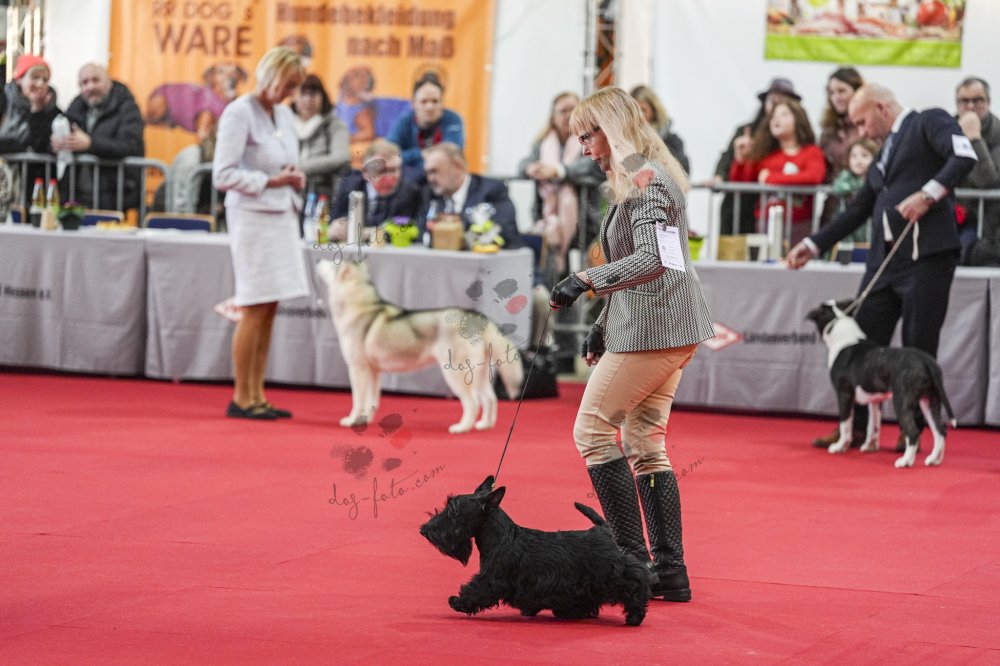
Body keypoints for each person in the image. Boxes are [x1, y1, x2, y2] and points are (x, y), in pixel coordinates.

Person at [548, 87, 714, 602]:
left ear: (612, 130)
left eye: (588, 136)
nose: (583, 149)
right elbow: (655, 264)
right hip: (666, 326)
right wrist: (603, 320)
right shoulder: (643, 175)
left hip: (655, 330)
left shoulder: (645, 181)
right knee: (644, 444)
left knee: (592, 433)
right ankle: (668, 571)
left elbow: (651, 261)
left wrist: (585, 280)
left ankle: (632, 564)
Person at [786, 84, 978, 451]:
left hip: (927, 257)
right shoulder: (883, 154)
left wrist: (928, 195)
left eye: (862, 122)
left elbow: (964, 155)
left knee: (919, 346)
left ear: (881, 108)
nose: (861, 131)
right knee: (860, 344)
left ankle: (913, 430)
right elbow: (859, 208)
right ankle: (853, 428)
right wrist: (813, 244)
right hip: (884, 264)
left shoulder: (928, 121)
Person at [212, 47, 308, 420]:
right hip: (251, 218)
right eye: (287, 85)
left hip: (282, 214)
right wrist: (270, 181)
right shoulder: (238, 112)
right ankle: (242, 397)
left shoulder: (283, 114)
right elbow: (222, 175)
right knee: (253, 305)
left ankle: (258, 394)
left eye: (295, 87)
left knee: (270, 305)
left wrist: (293, 177)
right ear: (269, 77)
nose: (290, 94)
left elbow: (284, 162)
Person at [728, 98, 827, 246]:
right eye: (773, 116)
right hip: (766, 224)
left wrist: (770, 178)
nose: (776, 119)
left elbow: (813, 177)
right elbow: (741, 183)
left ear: (798, 119)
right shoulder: (765, 155)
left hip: (800, 225)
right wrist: (741, 159)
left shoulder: (811, 152)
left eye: (784, 114)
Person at [713, 77, 802, 234]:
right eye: (773, 101)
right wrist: (720, 175)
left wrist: (769, 178)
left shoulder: (793, 141)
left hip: (770, 210)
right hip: (738, 207)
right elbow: (727, 157)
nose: (775, 108)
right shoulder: (746, 131)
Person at [52, 63, 145, 210]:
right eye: (84, 82)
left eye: (96, 80)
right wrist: (56, 143)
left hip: (113, 194)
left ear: (109, 82)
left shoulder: (127, 106)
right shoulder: (77, 105)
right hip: (76, 194)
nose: (90, 86)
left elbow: (129, 145)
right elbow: (63, 131)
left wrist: (91, 144)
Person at [517, 91, 586, 275]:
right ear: (553, 116)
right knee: (549, 266)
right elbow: (522, 165)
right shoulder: (544, 141)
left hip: (584, 218)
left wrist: (558, 171)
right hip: (549, 217)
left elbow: (592, 166)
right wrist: (531, 168)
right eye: (563, 111)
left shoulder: (589, 137)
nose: (568, 115)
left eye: (573, 109)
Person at [420, 142, 520, 248]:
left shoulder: (491, 190)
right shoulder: (430, 195)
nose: (430, 178)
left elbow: (503, 231)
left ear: (457, 166)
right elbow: (420, 230)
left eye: (434, 171)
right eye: (427, 173)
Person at [328, 138, 422, 241]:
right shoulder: (349, 186)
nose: (388, 177)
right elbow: (332, 220)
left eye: (393, 170)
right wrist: (332, 230)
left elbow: (404, 231)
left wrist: (365, 233)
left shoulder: (409, 190)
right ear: (366, 173)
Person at [0, 54, 62, 208]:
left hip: (34, 186)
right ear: (19, 79)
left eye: (45, 79)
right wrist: (21, 146)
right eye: (35, 77)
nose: (40, 83)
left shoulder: (53, 111)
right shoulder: (4, 101)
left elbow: (41, 146)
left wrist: (37, 112)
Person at [952, 77, 1000, 266]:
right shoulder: (945, 129)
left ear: (988, 102)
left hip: (986, 221)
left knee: (964, 251)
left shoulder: (997, 132)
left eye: (978, 100)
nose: (970, 106)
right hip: (949, 215)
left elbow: (988, 181)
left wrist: (973, 139)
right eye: (964, 101)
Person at [386, 73, 464, 172]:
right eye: (424, 101)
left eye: (435, 101)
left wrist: (409, 156)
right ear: (413, 104)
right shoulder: (404, 121)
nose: (429, 107)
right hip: (409, 177)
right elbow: (389, 156)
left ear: (442, 103)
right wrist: (420, 154)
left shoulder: (453, 120)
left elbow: (451, 154)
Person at [291, 74, 350, 200]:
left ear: (323, 97)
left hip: (323, 194)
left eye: (313, 94)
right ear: (294, 97)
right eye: (303, 94)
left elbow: (340, 158)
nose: (308, 99)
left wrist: (299, 168)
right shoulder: (285, 123)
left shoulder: (335, 125)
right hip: (288, 192)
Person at [629, 85, 690, 174]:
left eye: (643, 110)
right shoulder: (627, 139)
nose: (639, 116)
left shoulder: (673, 142)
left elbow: (682, 173)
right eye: (635, 111)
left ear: (654, 110)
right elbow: (626, 171)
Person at [830, 138, 879, 245]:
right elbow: (838, 187)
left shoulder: (876, 178)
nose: (858, 160)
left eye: (864, 156)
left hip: (869, 225)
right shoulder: (846, 176)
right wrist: (858, 189)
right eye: (854, 156)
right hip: (848, 222)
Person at [818, 67, 865, 175]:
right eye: (831, 93)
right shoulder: (828, 129)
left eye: (841, 91)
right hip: (834, 185)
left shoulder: (868, 126)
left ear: (858, 91)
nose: (836, 98)